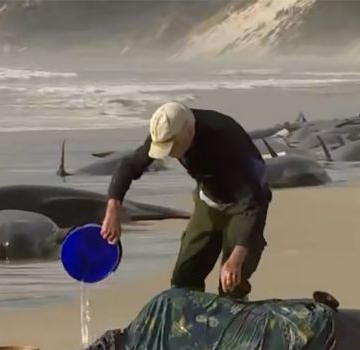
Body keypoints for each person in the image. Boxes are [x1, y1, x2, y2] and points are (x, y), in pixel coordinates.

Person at [100, 102, 272, 299]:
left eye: (171, 147)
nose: (168, 153)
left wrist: (236, 258)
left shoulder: (225, 141)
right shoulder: (168, 128)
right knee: (183, 280)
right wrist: (113, 208)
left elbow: (253, 202)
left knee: (231, 284)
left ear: (189, 131)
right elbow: (130, 166)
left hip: (246, 205)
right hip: (208, 200)